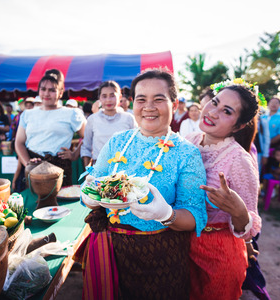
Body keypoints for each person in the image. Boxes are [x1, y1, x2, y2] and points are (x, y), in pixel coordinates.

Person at [76, 69, 207, 299]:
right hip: (111, 250)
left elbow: (195, 215)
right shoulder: (118, 142)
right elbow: (94, 185)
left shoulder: (187, 153)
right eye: (141, 99)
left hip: (162, 257)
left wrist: (167, 214)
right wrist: (89, 197)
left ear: (174, 105)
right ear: (132, 104)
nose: (149, 107)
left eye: (159, 99)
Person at [186, 78, 262, 300]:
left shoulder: (239, 160)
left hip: (219, 254)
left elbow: (248, 227)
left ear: (238, 126)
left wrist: (238, 211)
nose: (213, 112)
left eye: (226, 111)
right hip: (182, 244)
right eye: (215, 102)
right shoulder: (189, 140)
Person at [14, 69, 86, 187]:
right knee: (31, 203)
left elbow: (88, 136)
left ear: (61, 92)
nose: (46, 94)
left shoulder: (72, 113)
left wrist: (74, 154)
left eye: (52, 90)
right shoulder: (27, 114)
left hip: (59, 168)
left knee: (60, 203)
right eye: (43, 89)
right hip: (32, 167)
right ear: (39, 91)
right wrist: (27, 163)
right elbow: (19, 143)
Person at [81, 81, 136, 167]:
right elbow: (86, 147)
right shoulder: (92, 119)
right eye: (104, 96)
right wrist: (87, 172)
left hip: (123, 169)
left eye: (112, 95)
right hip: (99, 168)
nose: (108, 100)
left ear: (120, 97)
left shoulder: (129, 118)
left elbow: (135, 145)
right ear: (99, 98)